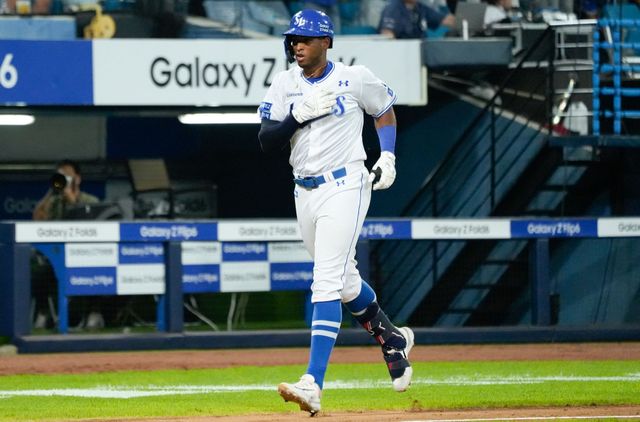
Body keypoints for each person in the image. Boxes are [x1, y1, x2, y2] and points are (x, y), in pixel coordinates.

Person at [258, 9, 415, 416]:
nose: (297, 45)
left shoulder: (354, 77)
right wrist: (297, 116)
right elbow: (266, 140)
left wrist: (388, 155)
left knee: (325, 280)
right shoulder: (284, 83)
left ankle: (313, 383)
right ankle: (392, 338)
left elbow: (384, 109)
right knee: (344, 281)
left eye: (305, 39)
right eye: (293, 39)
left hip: (346, 184)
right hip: (304, 190)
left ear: (326, 42)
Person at [32, 159, 102, 330]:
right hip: (58, 256)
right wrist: (51, 192)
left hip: (85, 256)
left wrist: (71, 198)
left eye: (67, 175)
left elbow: (87, 224)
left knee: (99, 267)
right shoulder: (55, 202)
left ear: (77, 178)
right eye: (60, 175)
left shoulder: (91, 200)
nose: (63, 178)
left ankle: (93, 313)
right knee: (37, 269)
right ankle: (44, 313)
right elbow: (37, 218)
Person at [379, 0, 455, 39]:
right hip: (403, 53)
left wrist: (460, 18)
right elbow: (387, 34)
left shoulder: (420, 8)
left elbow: (446, 20)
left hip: (421, 51)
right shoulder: (393, 8)